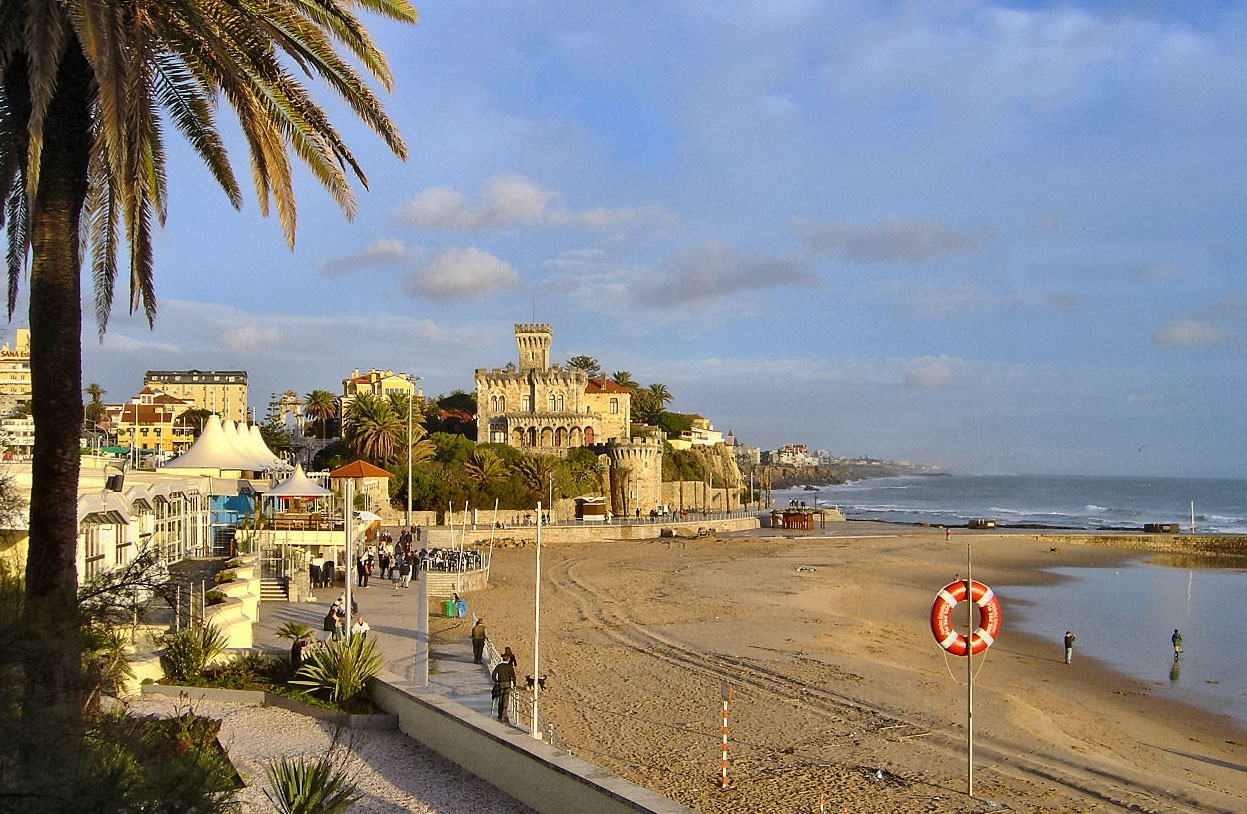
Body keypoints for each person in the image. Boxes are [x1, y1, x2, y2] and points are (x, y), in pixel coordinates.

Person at [492, 655, 517, 723]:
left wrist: (496, 681)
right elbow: (513, 676)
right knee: (505, 699)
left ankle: (500, 714)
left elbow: (493, 674)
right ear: (508, 659)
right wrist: (514, 684)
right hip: (507, 684)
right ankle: (504, 714)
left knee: (501, 698)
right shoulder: (509, 667)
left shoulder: (499, 666)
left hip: (500, 683)